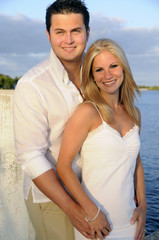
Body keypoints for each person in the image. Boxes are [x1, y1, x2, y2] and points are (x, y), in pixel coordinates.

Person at [13, 0, 92, 239]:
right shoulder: (32, 85)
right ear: (48, 35)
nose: (68, 40)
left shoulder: (101, 74)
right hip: (54, 200)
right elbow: (31, 156)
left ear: (87, 33)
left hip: (97, 192)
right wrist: (72, 209)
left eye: (75, 31)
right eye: (60, 32)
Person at [56, 38, 147, 240]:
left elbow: (136, 162)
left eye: (113, 66)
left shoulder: (135, 114)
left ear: (123, 68)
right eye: (99, 70)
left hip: (130, 223)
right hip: (97, 226)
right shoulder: (87, 112)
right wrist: (92, 212)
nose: (108, 75)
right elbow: (63, 167)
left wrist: (143, 207)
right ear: (92, 76)